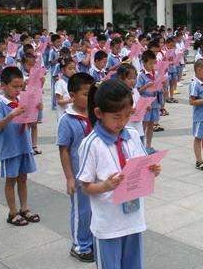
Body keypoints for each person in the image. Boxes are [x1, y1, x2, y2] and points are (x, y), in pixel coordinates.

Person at [77, 79, 161, 269]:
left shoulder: (131, 134)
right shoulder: (92, 144)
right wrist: (105, 186)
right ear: (99, 113)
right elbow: (85, 186)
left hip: (133, 219)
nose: (122, 122)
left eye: (127, 115)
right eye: (116, 117)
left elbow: (140, 166)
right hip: (108, 225)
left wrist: (152, 171)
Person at [0, 66, 41, 226]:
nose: (18, 90)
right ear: (3, 85)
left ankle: (24, 208)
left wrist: (35, 109)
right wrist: (11, 115)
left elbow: (30, 121)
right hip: (10, 149)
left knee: (23, 178)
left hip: (24, 146)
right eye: (15, 86)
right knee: (10, 180)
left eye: (21, 86)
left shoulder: (21, 101)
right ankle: (12, 212)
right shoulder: (0, 104)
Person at [57, 72, 96, 262]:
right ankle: (80, 245)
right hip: (80, 176)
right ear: (72, 95)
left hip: (97, 174)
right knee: (81, 211)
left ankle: (92, 240)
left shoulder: (96, 114)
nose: (91, 98)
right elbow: (64, 150)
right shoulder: (67, 120)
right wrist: (69, 178)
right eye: (86, 94)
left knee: (95, 210)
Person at [136, 50, 160, 153]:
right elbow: (137, 91)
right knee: (144, 125)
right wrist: (146, 86)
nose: (152, 66)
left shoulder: (155, 73)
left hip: (154, 103)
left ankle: (149, 146)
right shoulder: (140, 75)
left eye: (154, 63)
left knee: (151, 125)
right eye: (150, 63)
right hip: (145, 104)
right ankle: (141, 147)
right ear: (144, 63)